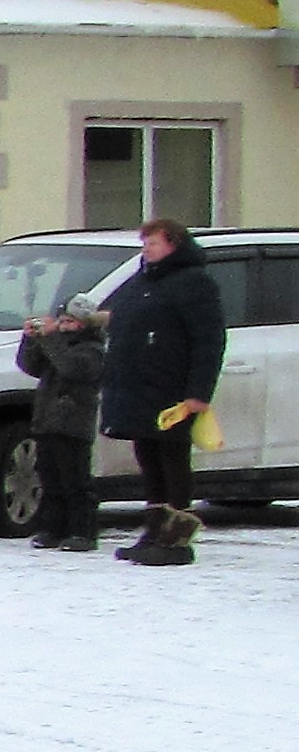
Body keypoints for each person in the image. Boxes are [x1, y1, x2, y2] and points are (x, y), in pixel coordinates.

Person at [99, 217, 224, 567]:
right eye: (144, 244)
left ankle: (176, 538)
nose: (146, 250)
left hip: (173, 389)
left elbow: (209, 340)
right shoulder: (143, 281)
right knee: (148, 457)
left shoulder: (194, 283)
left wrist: (199, 392)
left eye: (153, 243)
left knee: (172, 459)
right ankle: (154, 531)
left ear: (173, 244)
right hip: (140, 389)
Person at [16, 300, 107, 554]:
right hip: (47, 422)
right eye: (62, 321)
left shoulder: (92, 350)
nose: (64, 327)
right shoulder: (57, 347)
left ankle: (83, 531)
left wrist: (51, 338)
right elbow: (30, 366)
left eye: (70, 322)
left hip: (73, 425)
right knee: (49, 478)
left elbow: (71, 368)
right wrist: (31, 340)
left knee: (75, 480)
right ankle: (52, 528)